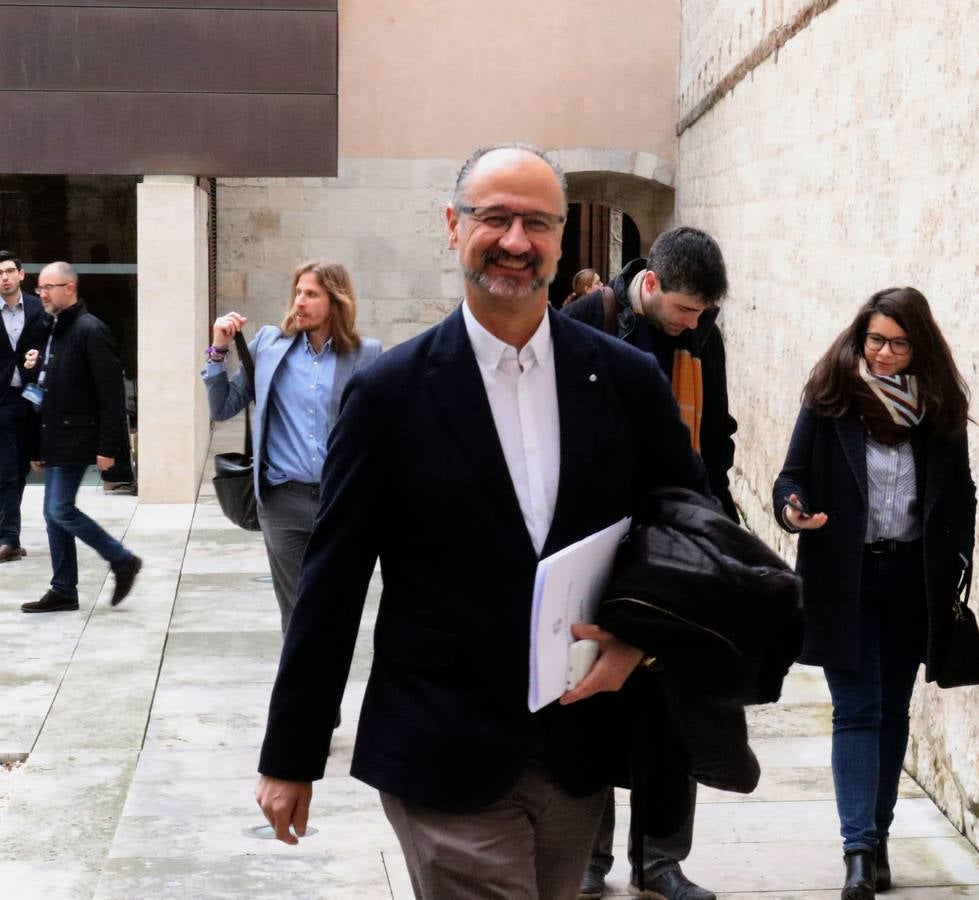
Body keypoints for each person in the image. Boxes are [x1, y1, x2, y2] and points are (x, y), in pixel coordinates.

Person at [254, 143, 713, 900]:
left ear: (562, 239)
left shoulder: (624, 380)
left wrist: (640, 638)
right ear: (452, 224)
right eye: (494, 217)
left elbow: (687, 527)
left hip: (576, 746)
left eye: (537, 223)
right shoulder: (387, 394)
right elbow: (331, 581)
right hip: (440, 741)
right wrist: (290, 753)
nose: (514, 241)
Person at [773, 287, 975, 900]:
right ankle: (858, 850)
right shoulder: (831, 397)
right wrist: (793, 509)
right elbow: (793, 476)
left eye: (898, 343)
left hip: (913, 583)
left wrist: (958, 556)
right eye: (875, 340)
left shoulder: (939, 408)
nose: (884, 354)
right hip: (844, 579)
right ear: (860, 338)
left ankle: (878, 839)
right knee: (857, 710)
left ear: (920, 346)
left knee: (892, 714)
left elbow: (962, 491)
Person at [565, 226, 735, 900]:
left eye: (704, 313)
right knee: (593, 700)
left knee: (674, 704)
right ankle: (588, 856)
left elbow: (715, 430)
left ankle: (661, 859)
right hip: (598, 540)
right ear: (653, 284)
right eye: (687, 310)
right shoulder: (586, 320)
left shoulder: (703, 336)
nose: (694, 324)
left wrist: (712, 518)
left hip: (678, 541)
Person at [203, 260, 382, 634]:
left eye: (311, 294)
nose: (299, 302)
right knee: (298, 614)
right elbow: (223, 407)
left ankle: (322, 685)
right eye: (298, 292)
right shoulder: (269, 345)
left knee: (334, 608)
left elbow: (378, 429)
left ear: (336, 302)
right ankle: (299, 691)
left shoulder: (365, 355)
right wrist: (218, 351)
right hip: (282, 502)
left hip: (340, 504)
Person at [20, 262, 142, 613]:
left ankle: (121, 559)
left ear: (69, 288)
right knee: (52, 514)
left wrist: (109, 447)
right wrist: (37, 445)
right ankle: (64, 589)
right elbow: (46, 385)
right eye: (40, 287)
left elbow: (110, 394)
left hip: (77, 438)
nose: (42, 293)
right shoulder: (52, 328)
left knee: (59, 508)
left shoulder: (90, 330)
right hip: (54, 437)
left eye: (49, 287)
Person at [0, 251, 48, 562]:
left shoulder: (37, 307)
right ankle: (8, 537)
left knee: (19, 470)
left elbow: (51, 343)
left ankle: (10, 537)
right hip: (2, 400)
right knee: (6, 469)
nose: (3, 277)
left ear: (21, 274)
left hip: (32, 398)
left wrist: (39, 358)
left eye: (7, 271)